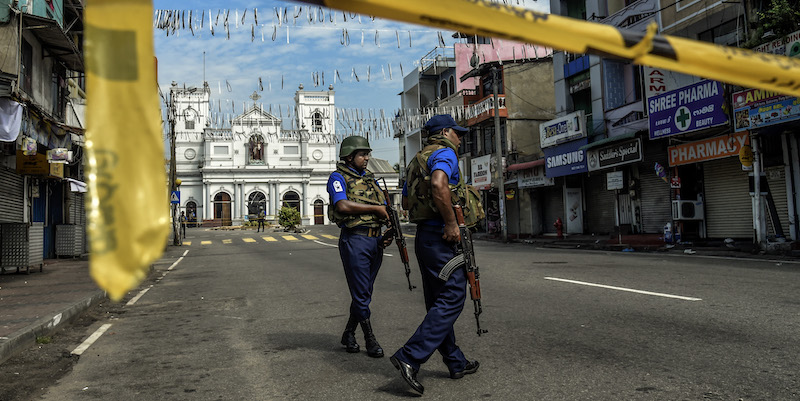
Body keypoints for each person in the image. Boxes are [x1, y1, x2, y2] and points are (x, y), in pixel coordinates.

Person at [389, 115, 481, 395]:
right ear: (444, 132)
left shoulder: (416, 160)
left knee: (437, 302)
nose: (461, 138)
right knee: (452, 298)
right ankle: (410, 356)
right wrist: (451, 222)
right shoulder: (445, 153)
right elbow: (440, 183)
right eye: (458, 132)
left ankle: (455, 361)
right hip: (444, 237)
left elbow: (406, 201)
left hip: (424, 238)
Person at [327, 135, 390, 358]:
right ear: (349, 156)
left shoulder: (372, 179)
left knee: (364, 292)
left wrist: (386, 230)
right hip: (355, 240)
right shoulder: (337, 177)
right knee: (362, 294)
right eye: (362, 154)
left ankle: (348, 334)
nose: (367, 158)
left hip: (375, 240)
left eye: (367, 154)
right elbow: (342, 205)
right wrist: (375, 210)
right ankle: (369, 339)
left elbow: (384, 207)